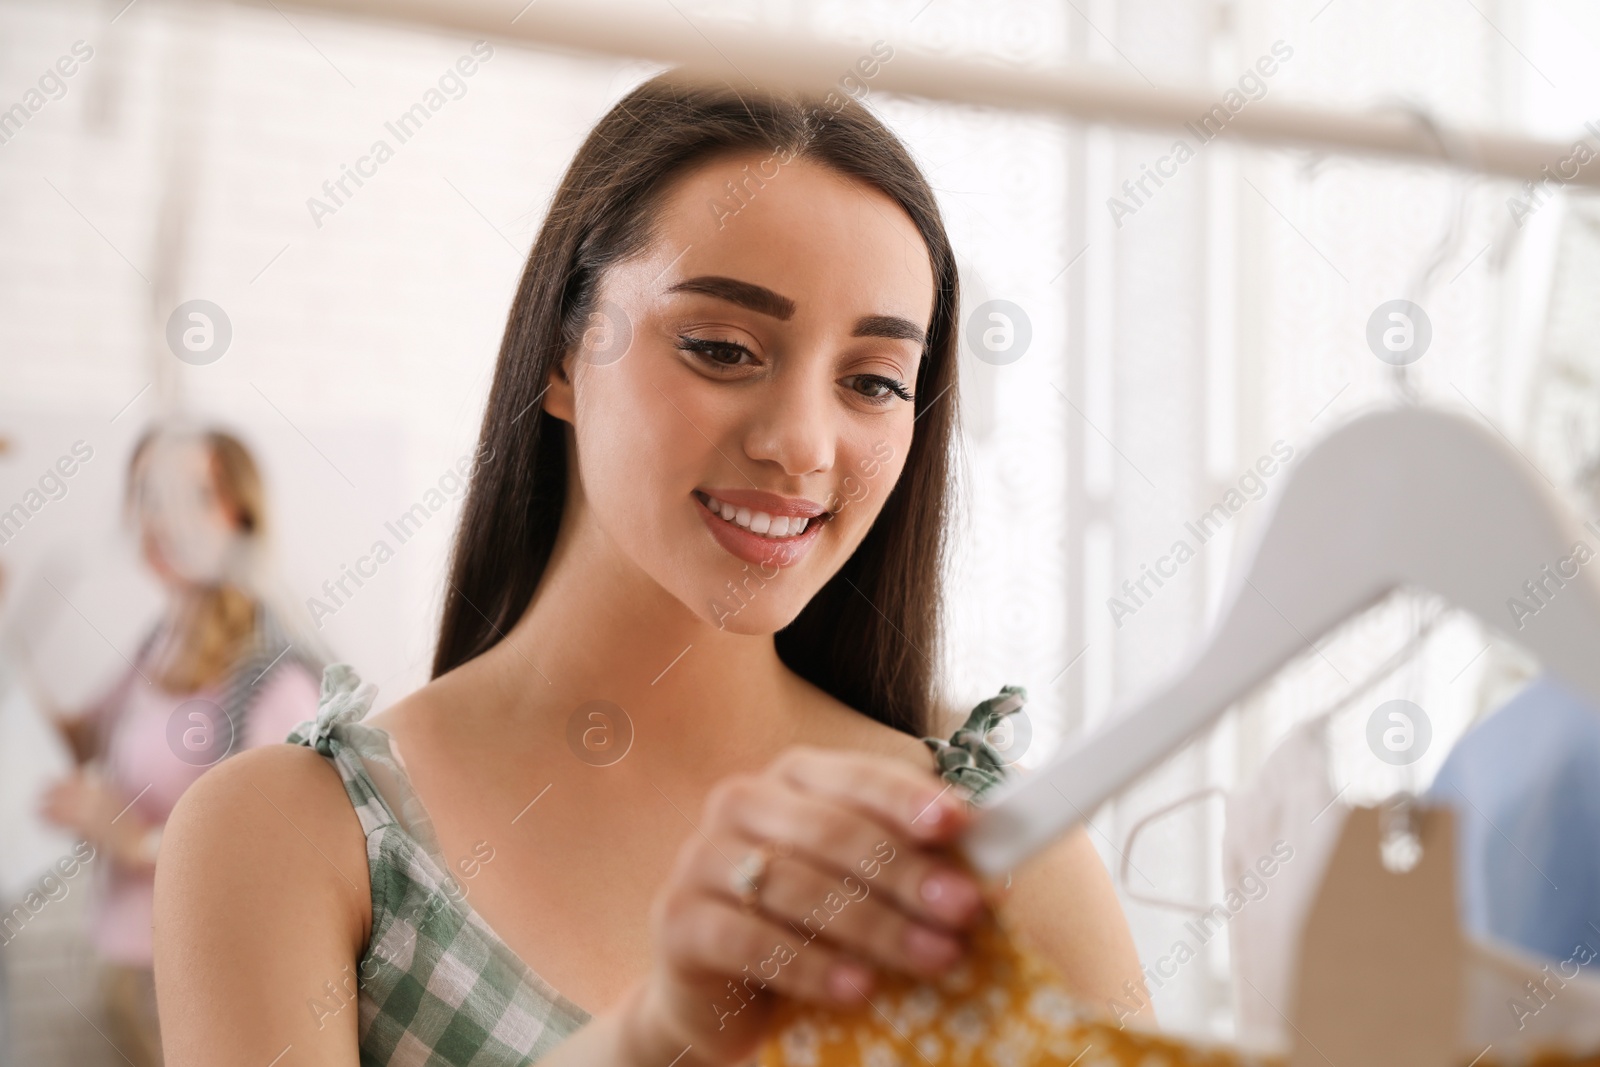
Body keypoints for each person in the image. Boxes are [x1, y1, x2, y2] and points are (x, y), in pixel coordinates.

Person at [154, 74, 1144, 1066]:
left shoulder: (1000, 857)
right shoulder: (293, 839)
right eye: (722, 347)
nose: (802, 444)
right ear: (558, 354)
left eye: (873, 381)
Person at [38, 426, 322, 1067]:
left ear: (239, 515)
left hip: (192, 987)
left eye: (188, 495)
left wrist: (126, 838)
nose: (159, 517)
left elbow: (268, 858)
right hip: (124, 964)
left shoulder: (272, 672)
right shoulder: (157, 641)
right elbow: (83, 735)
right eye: (145, 494)